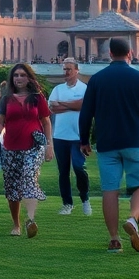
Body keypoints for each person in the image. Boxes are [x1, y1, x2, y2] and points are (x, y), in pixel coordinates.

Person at [78, 38, 139, 253]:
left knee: (110, 190)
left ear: (110, 54)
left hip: (107, 142)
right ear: (130, 53)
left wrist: (84, 140)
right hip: (134, 140)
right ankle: (133, 218)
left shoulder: (97, 80)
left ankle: (115, 239)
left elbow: (86, 112)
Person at [0, 63, 52, 237]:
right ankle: (16, 224)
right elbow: (0, 121)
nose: (19, 78)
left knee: (29, 179)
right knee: (12, 187)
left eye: (22, 75)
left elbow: (46, 121)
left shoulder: (37, 98)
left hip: (33, 146)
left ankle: (30, 219)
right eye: (16, 75)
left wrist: (49, 144)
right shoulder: (6, 98)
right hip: (10, 147)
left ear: (29, 78)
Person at [48, 57, 91, 216]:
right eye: (64, 69)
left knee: (79, 167)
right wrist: (73, 105)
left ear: (76, 70)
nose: (66, 72)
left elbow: (84, 105)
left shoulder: (84, 88)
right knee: (63, 171)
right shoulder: (58, 89)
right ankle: (67, 203)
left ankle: (85, 198)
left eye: (69, 69)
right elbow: (53, 108)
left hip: (78, 136)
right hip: (60, 136)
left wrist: (64, 104)